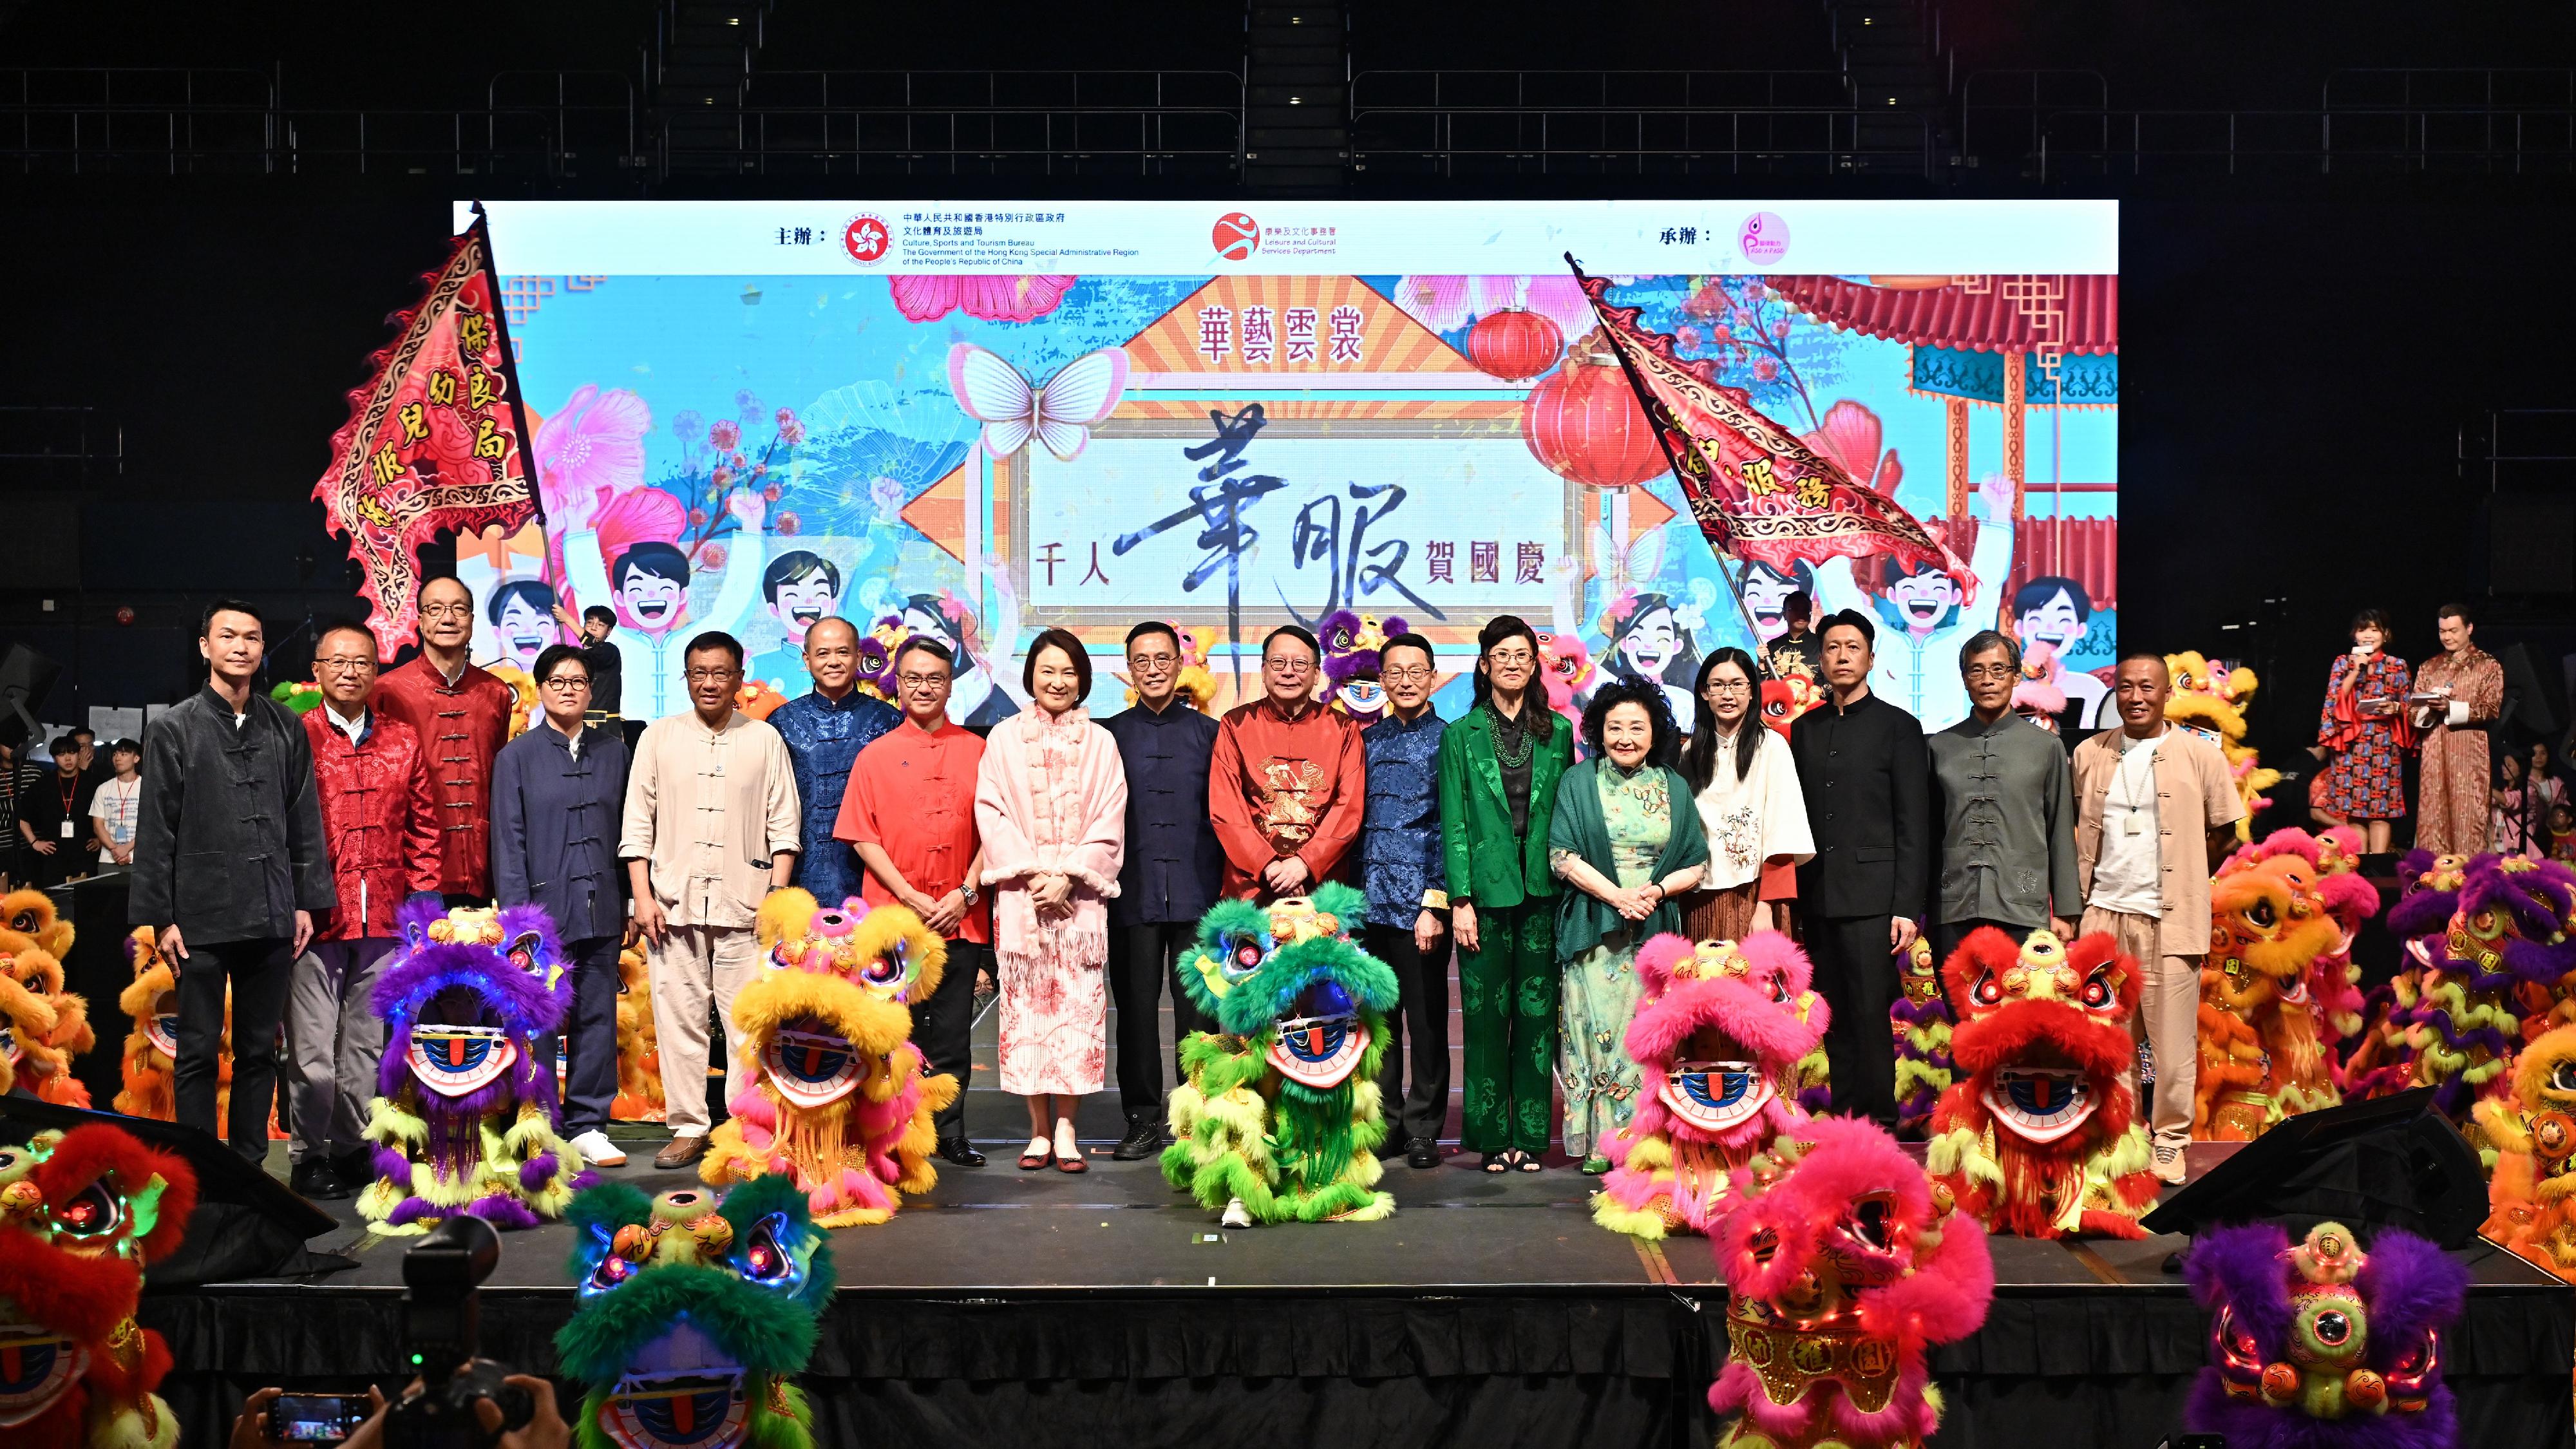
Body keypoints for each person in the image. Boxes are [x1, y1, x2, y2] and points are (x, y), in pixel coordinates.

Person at [131, 599, 334, 1162]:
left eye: (251, 636)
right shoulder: (174, 728)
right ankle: (201, 1169)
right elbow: (156, 829)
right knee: (196, 1050)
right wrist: (161, 916)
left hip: (271, 910)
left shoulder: (283, 725)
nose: (240, 646)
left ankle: (247, 1167)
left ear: (262, 648)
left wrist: (304, 904)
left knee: (258, 1051)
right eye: (228, 636)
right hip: (199, 916)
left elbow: (303, 818)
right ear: (205, 646)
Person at [620, 630, 800, 1170]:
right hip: (670, 907)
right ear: (686, 677)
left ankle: (746, 1128)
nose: (709, 683)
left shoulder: (764, 739)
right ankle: (689, 1126)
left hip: (744, 905)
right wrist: (642, 898)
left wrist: (776, 894)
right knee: (679, 1020)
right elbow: (637, 823)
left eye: (720, 673)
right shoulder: (658, 737)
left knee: (747, 1024)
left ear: (740, 678)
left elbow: (784, 824)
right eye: (699, 673)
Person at [2071, 649, 2246, 1184]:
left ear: (2167, 692)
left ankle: (2169, 1141)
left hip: (2172, 920)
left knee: (2171, 1048)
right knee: (2110, 1040)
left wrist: (2190, 880)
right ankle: (2122, 1138)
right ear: (2115, 694)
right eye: (2126, 687)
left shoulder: (2199, 755)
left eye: (2148, 687)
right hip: (2103, 915)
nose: (2137, 696)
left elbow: (2224, 831)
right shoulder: (2088, 753)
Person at [290, 622, 440, 1199]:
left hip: (384, 918)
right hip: (315, 921)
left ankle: (352, 1148)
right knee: (312, 1054)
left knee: (365, 1050)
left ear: (376, 671)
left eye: (362, 662)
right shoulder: (296, 736)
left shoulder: (403, 739)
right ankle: (307, 1153)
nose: (350, 671)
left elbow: (425, 829)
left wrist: (421, 915)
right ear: (318, 671)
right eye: (338, 661)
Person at [836, 636, 992, 1168]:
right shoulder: (875, 754)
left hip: (961, 915)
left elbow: (997, 832)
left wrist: (965, 892)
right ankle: (888, 1138)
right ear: (897, 684)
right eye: (914, 679)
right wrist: (906, 895)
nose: (924, 688)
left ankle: (949, 1133)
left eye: (936, 679)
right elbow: (861, 834)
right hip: (892, 919)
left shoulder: (979, 749)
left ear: (951, 685)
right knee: (891, 1035)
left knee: (951, 1036)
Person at [974, 629, 1127, 1173]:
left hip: (1080, 903)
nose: (1058, 681)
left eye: (1068, 672)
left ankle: (1068, 1127)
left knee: (1078, 1013)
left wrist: (1069, 876)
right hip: (1022, 899)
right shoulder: (1003, 738)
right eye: (1048, 671)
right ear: (1031, 677)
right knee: (1026, 1015)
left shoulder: (1103, 743)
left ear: (1082, 679)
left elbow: (1111, 817)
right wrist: (1036, 874)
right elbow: (990, 811)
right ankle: (1037, 1130)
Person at [1548, 679, 1710, 1174]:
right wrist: (1616, 895)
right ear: (1598, 731)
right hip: (1596, 921)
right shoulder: (1578, 782)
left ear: (1654, 731)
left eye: (1637, 727)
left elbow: (1696, 862)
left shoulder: (1673, 785)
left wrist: (1654, 893)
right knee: (1593, 1031)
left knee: (1648, 1033)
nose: (1625, 737)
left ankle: (1644, 1140)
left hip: (1653, 923)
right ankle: (1600, 1143)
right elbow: (1561, 855)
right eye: (1615, 727)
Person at [1440, 616, 1575, 1173]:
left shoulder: (1560, 733)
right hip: (1485, 898)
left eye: (1523, 654)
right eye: (1503, 654)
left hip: (1544, 891)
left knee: (1538, 1017)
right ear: (1484, 664)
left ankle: (1531, 1137)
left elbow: (1568, 815)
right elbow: (1453, 823)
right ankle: (1491, 1137)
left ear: (1534, 665)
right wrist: (1460, 900)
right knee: (1486, 1018)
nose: (1514, 663)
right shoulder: (1460, 734)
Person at [1788, 609, 1931, 1128]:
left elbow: (1913, 824)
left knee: (1871, 1015)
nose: (1841, 656)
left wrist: (1905, 907)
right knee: (1836, 1015)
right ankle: (1848, 1116)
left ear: (1871, 656)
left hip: (1874, 900)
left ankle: (1878, 1120)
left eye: (1852, 647)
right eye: (1831, 648)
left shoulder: (1899, 727)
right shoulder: (1804, 730)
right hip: (1818, 894)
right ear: (1819, 658)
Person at [494, 642, 634, 1170]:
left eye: (578, 681)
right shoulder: (516, 758)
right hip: (541, 915)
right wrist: (517, 920)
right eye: (558, 681)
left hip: (601, 905)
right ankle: (538, 1121)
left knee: (597, 1017)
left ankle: (589, 1125)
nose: (569, 689)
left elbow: (627, 832)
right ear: (542, 688)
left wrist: (628, 902)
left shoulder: (615, 751)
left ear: (591, 690)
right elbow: (509, 842)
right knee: (540, 1022)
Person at [1099, 621, 1223, 1160]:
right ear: (1129, 669)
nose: (1153, 668)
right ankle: (1143, 1120)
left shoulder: (1211, 734)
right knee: (1136, 1012)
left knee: (1200, 1013)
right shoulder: (1107, 736)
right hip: (1132, 891)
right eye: (1142, 660)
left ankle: (1199, 1118)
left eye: (1163, 659)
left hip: (1199, 890)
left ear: (1180, 666)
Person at [1927, 630, 2079, 960]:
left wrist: (2066, 908)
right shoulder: (1939, 746)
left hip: (2022, 908)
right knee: (1959, 1010)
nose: (1988, 680)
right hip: (1953, 906)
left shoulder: (2046, 746)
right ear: (1965, 679)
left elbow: (2060, 831)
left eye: (1998, 670)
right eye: (1976, 670)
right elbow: (1926, 832)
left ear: (2015, 676)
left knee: (2017, 1009)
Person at [1358, 630, 1451, 1170]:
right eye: (1395, 672)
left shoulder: (1451, 740)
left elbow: (1448, 827)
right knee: (1379, 1022)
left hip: (1420, 906)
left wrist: (1433, 903)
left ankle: (1423, 1126)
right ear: (1382, 680)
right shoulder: (1367, 741)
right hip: (1370, 904)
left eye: (1417, 671)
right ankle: (1387, 1121)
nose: (1406, 681)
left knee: (1427, 1019)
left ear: (1434, 675)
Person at [372, 576, 514, 902]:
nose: (448, 618)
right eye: (435, 609)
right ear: (420, 621)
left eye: (459, 609)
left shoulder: (495, 693)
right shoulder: (387, 690)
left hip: (480, 864)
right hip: (411, 868)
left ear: (472, 621)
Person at [1209, 625, 1366, 901]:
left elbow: (1349, 809)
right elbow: (1226, 809)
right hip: (1251, 885)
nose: (1288, 672)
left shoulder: (1343, 729)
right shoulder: (1235, 724)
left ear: (1317, 674)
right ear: (1264, 670)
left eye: (1300, 664)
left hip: (1321, 885)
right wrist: (1268, 865)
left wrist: (1304, 863)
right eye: (1278, 662)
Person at [1678, 647, 1812, 941]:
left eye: (1738, 684)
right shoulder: (1691, 751)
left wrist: (1765, 907)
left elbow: (1783, 831)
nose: (1728, 694)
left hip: (1754, 895)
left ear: (1752, 691)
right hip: (1698, 895)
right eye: (1718, 685)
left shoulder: (1772, 746)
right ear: (1704, 692)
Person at [768, 617, 899, 909]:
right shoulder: (781, 722)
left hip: (873, 878)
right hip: (799, 879)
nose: (833, 662)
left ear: (859, 657)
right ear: (807, 659)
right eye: (823, 653)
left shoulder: (889, 721)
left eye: (843, 652)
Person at [2312, 607, 2411, 855]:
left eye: (2374, 630)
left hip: (2384, 744)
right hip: (2351, 745)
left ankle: (2379, 868)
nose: (2368, 635)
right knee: (2355, 812)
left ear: (2385, 635)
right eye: (2362, 629)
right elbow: (2334, 700)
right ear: (2354, 635)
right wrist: (2356, 670)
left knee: (2380, 813)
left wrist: (2396, 707)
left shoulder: (2397, 666)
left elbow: (2410, 707)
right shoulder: (2342, 663)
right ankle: (2361, 870)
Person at [2413, 601, 2505, 855]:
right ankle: (2435, 882)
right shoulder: (2429, 667)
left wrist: (2450, 708)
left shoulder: (2487, 665)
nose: (2447, 637)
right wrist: (2431, 709)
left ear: (2469, 628)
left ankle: (2470, 883)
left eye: (2454, 630)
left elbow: (2490, 708)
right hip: (2435, 751)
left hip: (2469, 752)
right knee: (2434, 815)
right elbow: (2414, 714)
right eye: (2443, 631)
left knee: (2468, 816)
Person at [2012, 575, 2111, 730]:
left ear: (2080, 629)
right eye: (2037, 618)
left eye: (2063, 619)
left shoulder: (2091, 687)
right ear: (2020, 627)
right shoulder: (2010, 687)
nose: (2050, 627)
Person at [1601, 590, 1701, 730]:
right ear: (1624, 643)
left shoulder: (1684, 702)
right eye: (1638, 636)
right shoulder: (1609, 691)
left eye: (1662, 638)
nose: (1648, 645)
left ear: (1677, 646)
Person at [748, 550, 844, 694]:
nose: (808, 600)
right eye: (793, 594)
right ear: (774, 609)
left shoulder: (849, 661)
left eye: (820, 593)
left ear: (833, 605)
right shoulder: (757, 666)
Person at [15, 732, 99, 887]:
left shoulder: (94, 783)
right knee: (54, 905)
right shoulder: (42, 785)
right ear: (54, 758)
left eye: (72, 753)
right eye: (62, 754)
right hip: (53, 858)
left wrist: (101, 840)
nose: (68, 758)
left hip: (86, 856)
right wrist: (34, 842)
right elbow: (21, 816)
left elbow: (110, 815)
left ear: (78, 754)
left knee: (87, 904)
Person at [553, 601, 627, 732]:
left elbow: (592, 645)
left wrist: (567, 619)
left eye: (600, 625)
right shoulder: (578, 657)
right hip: (578, 725)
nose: (593, 628)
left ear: (609, 631)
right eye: (589, 623)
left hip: (605, 728)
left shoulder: (610, 651)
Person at [86, 737, 142, 873]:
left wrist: (126, 848)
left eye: (124, 754)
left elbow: (152, 826)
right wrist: (115, 849)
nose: (118, 758)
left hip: (139, 859)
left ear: (136, 759)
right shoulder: (103, 788)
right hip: (108, 859)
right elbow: (97, 825)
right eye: (115, 754)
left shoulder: (147, 787)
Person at [486, 579, 560, 677]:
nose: (527, 629)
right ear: (497, 632)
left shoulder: (564, 678)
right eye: (514, 621)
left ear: (556, 632)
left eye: (540, 621)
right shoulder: (492, 681)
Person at [1761, 590, 1823, 683]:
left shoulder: (1821, 645)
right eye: (1794, 610)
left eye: (1805, 610)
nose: (1800, 614)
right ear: (1784, 614)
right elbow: (1762, 683)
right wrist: (1761, 663)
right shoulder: (1772, 646)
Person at [2494, 753, 2534, 853]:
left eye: (2509, 765)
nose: (2504, 768)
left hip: (2521, 848)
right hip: (2499, 846)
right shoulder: (2503, 790)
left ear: (2521, 768)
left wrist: (2487, 787)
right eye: (2503, 764)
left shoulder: (2529, 791)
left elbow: (2509, 800)